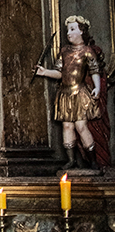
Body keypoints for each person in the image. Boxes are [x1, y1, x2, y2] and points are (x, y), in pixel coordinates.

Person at [35, 14, 102, 170]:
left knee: (81, 126)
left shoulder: (87, 51)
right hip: (65, 94)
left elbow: (94, 71)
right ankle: (71, 160)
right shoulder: (64, 51)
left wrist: (97, 87)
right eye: (67, 30)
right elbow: (59, 73)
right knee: (67, 127)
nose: (68, 33)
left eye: (72, 29)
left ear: (82, 31)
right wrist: (45, 72)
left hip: (79, 93)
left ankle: (93, 161)